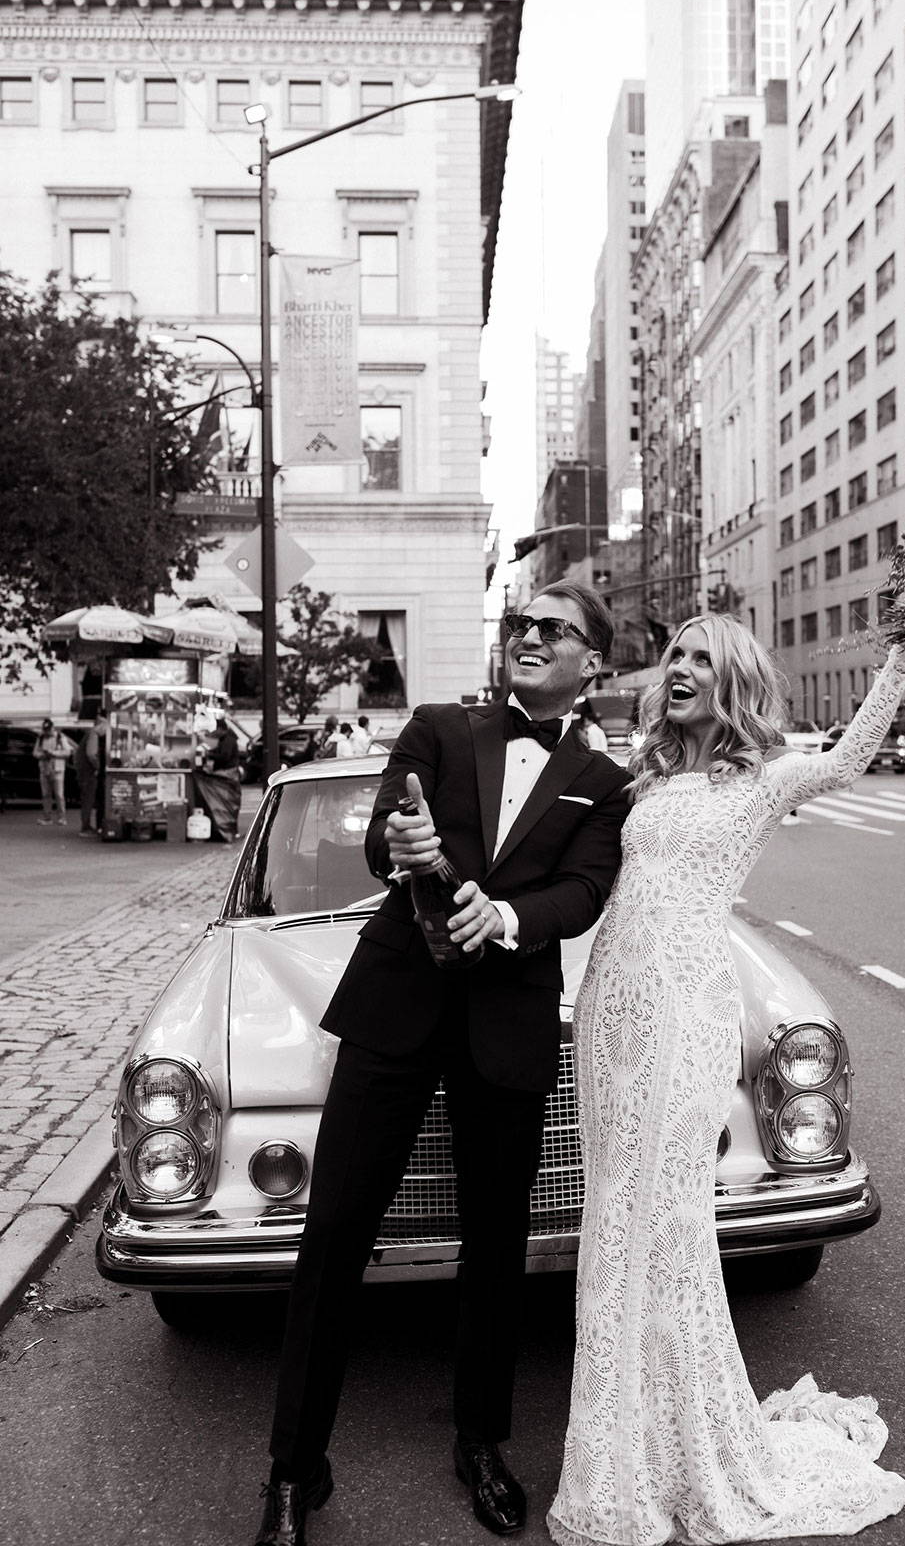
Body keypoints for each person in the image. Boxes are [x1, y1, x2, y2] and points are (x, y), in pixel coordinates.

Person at [253, 582, 632, 1546]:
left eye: (555, 630)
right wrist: (400, 841)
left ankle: (481, 1442)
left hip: (506, 1023)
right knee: (333, 1232)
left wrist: (508, 917)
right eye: (522, 625)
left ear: (593, 661)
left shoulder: (601, 776)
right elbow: (390, 841)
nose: (531, 637)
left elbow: (586, 889)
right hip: (396, 1007)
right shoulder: (436, 726)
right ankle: (295, 1471)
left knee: (498, 1248)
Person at [547, 616, 905, 1546]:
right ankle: (621, 1450)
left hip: (684, 1011)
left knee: (664, 1222)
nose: (681, 670)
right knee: (612, 1222)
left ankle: (679, 1456)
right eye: (676, 655)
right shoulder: (647, 776)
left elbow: (844, 762)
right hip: (609, 1010)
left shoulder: (764, 781)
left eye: (702, 660)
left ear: (736, 682)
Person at [33, 719, 73, 826]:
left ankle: (62, 818)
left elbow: (68, 752)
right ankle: (47, 818)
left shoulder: (60, 737)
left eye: (48, 730)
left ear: (52, 728)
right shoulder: (40, 738)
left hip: (57, 770)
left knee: (59, 795)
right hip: (44, 769)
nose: (46, 732)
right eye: (45, 730)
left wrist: (54, 753)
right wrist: (42, 755)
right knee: (46, 794)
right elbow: (35, 752)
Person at [74, 712, 108, 837]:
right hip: (88, 773)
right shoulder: (93, 734)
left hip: (84, 771)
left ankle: (87, 826)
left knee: (88, 798)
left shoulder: (90, 734)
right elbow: (91, 754)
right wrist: (98, 767)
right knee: (88, 799)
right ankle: (85, 828)